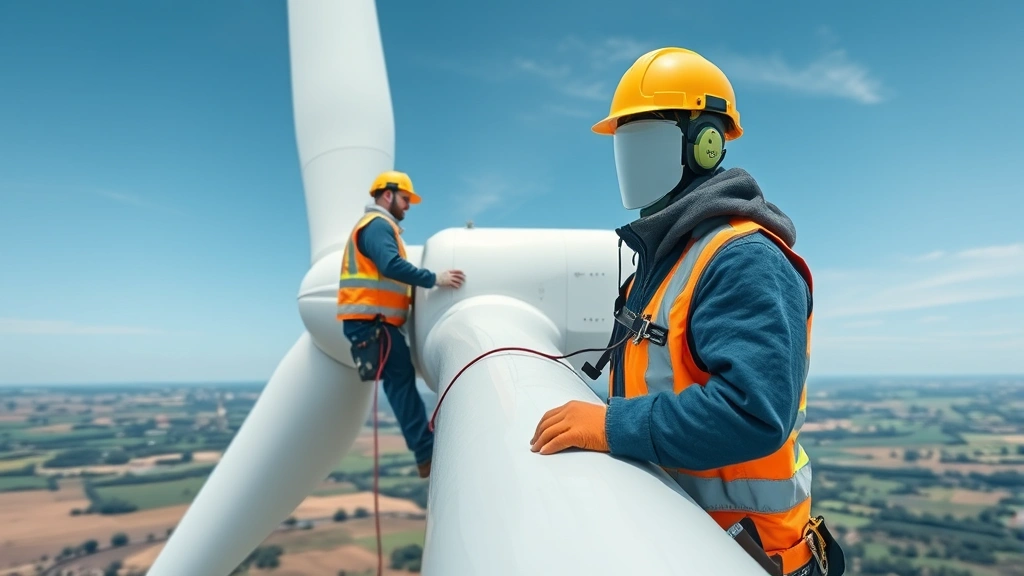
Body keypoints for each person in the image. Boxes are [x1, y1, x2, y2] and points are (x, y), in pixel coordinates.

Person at [530, 48, 845, 576]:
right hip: (685, 542)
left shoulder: (744, 259)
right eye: (622, 146)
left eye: (643, 141)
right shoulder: (665, 261)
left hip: (746, 555)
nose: (628, 164)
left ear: (704, 144)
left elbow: (753, 412)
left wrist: (612, 427)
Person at [337, 170, 465, 479]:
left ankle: (424, 451)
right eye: (405, 199)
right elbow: (390, 266)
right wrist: (436, 279)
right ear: (388, 195)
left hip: (374, 323)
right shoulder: (378, 226)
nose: (407, 206)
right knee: (401, 386)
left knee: (400, 384)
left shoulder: (377, 227)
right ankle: (426, 454)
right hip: (374, 324)